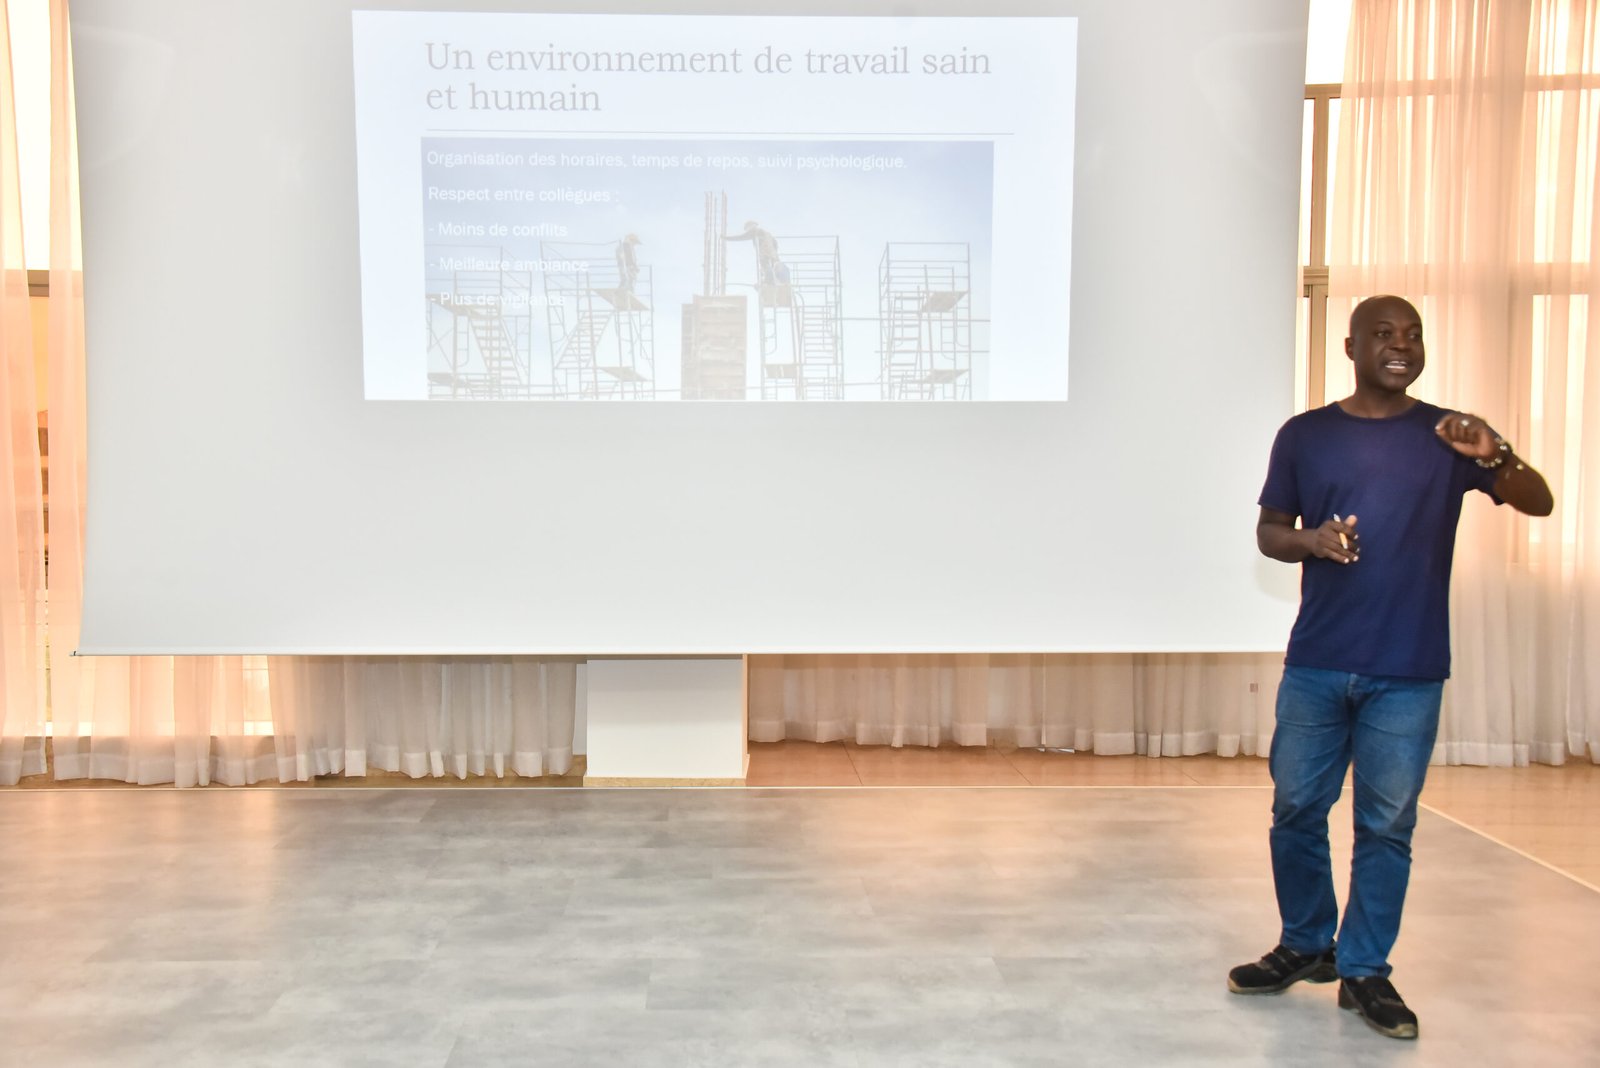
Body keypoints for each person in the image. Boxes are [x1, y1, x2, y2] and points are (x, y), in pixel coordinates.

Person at [1228, 295, 1553, 1040]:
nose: (1400, 345)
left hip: (1408, 670)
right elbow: (1271, 532)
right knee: (1296, 810)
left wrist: (1497, 454)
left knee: (1386, 826)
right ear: (1351, 348)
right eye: (1383, 334)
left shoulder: (1450, 436)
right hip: (1317, 663)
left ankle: (1365, 971)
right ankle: (1307, 945)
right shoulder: (1305, 435)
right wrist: (1311, 541)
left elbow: (1537, 502)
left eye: (1412, 334)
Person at [724, 220, 783, 286]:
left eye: (747, 228)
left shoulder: (754, 231)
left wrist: (726, 238)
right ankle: (777, 281)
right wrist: (774, 252)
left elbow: (741, 237)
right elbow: (775, 243)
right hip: (773, 253)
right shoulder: (767, 233)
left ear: (750, 226)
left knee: (765, 265)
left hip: (765, 252)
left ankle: (768, 281)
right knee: (774, 266)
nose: (747, 230)